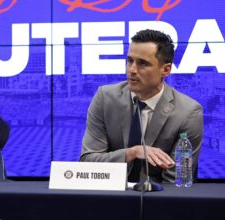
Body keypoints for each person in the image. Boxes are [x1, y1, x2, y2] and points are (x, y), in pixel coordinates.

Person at [79, 29, 203, 183]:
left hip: (158, 201)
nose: (132, 70)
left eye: (142, 64)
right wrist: (131, 153)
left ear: (166, 70)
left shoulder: (188, 112)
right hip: (108, 196)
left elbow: (176, 180)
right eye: (129, 61)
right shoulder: (105, 98)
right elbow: (87, 162)